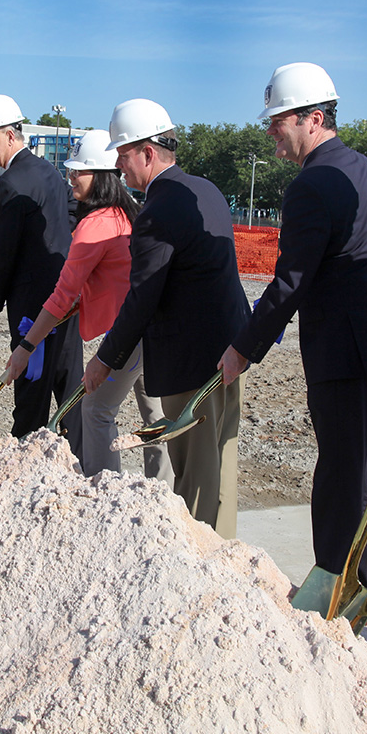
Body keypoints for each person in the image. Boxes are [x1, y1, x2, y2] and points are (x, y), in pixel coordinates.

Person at [219, 63, 367, 588]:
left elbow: (290, 282)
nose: (271, 131)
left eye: (278, 120)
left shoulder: (312, 184)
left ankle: (336, 588)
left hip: (344, 353)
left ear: (314, 118)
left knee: (339, 479)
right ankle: (348, 581)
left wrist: (243, 348)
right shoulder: (362, 168)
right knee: (352, 470)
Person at [84, 99, 248, 537]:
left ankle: (200, 566)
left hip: (190, 362)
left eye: (122, 154)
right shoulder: (205, 189)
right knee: (221, 460)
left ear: (148, 152)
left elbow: (142, 298)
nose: (118, 166)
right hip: (230, 350)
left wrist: (105, 359)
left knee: (194, 473)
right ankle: (226, 554)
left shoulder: (157, 211)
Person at [6, 129, 172, 482]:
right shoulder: (130, 214)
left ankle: (104, 493)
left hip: (131, 332)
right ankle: (165, 499)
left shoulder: (95, 225)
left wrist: (26, 346)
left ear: (99, 175)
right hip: (156, 328)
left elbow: (62, 294)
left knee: (96, 411)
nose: (70, 179)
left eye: (77, 171)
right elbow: (111, 281)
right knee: (156, 416)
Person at [0, 94, 84, 453]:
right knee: (69, 391)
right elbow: (70, 218)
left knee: (31, 395)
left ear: (10, 135)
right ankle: (80, 464)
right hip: (65, 299)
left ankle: (25, 470)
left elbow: (4, 256)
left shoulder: (10, 183)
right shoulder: (48, 170)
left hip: (32, 312)